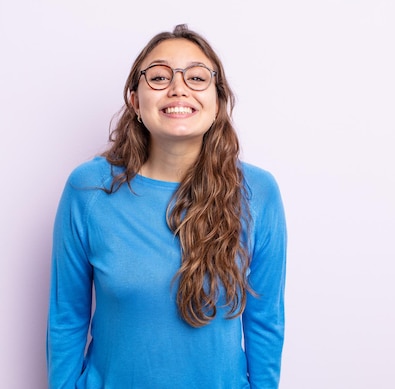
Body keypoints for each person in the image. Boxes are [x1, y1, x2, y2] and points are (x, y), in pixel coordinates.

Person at [47, 24, 287, 389]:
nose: (178, 87)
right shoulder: (88, 189)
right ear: (134, 99)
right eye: (159, 77)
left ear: (218, 100)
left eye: (196, 77)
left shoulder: (258, 193)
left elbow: (265, 322)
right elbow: (67, 318)